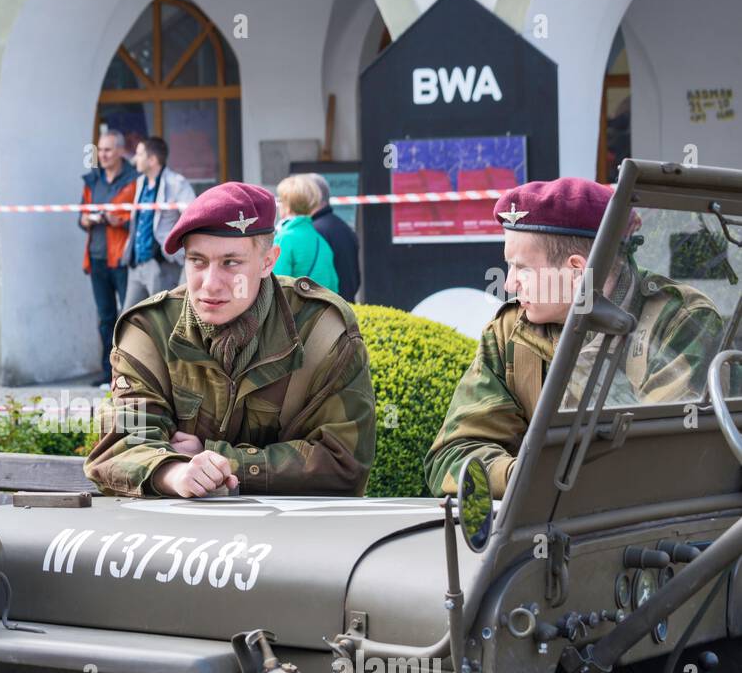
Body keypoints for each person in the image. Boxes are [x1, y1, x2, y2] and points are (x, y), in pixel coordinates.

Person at [425, 177, 722, 498]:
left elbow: (662, 459)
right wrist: (518, 476)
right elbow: (450, 457)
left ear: (577, 271)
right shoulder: (510, 332)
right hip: (543, 529)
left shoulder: (678, 321)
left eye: (522, 268)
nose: (509, 284)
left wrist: (538, 478)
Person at [84, 181, 376, 498]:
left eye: (230, 263)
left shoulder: (321, 331)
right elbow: (121, 446)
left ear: (268, 261)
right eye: (197, 261)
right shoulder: (149, 330)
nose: (210, 284)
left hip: (294, 537)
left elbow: (343, 462)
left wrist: (224, 461)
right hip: (181, 538)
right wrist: (174, 472)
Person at [79, 130, 137, 385]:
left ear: (120, 151)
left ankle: (129, 373)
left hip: (122, 258)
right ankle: (107, 373)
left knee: (128, 317)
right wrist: (86, 219)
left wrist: (118, 221)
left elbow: (139, 218)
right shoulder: (92, 180)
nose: (102, 155)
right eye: (100, 150)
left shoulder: (134, 180)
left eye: (108, 150)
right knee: (105, 318)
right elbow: (79, 217)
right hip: (96, 258)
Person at [124, 136, 195, 306]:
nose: (135, 159)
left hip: (161, 264)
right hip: (137, 264)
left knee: (161, 320)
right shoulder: (140, 182)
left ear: (152, 160)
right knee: (127, 319)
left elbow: (192, 217)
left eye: (140, 154)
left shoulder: (176, 183)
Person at [272, 174, 339, 293]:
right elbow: (333, 285)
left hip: (295, 311)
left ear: (287, 206)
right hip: (321, 310)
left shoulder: (284, 239)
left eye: (280, 201)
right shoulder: (321, 241)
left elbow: (276, 287)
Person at [305, 173, 361, 302]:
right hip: (347, 306)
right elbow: (355, 279)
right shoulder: (344, 227)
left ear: (312, 197)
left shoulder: (314, 232)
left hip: (328, 309)